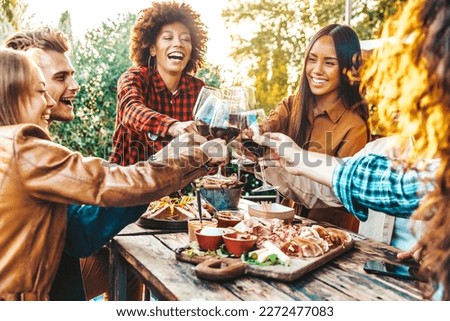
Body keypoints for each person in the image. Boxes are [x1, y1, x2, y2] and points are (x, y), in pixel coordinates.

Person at [255, 0, 449, 300]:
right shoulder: (383, 147)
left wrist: (290, 159)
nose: (397, 98)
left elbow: (372, 185)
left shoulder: (358, 129)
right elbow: (338, 185)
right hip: (364, 278)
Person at [0, 48, 228, 300]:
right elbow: (125, 184)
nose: (51, 102)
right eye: (41, 91)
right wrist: (197, 154)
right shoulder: (24, 148)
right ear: (11, 94)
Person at [4, 27, 147, 300]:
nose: (74, 85)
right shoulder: (25, 148)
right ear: (26, 82)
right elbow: (79, 234)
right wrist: (144, 184)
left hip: (53, 272)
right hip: (38, 292)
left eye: (72, 74)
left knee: (126, 264)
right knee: (129, 260)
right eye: (60, 77)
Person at [259, 24, 370, 232]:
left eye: (329, 63)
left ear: (347, 68)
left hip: (330, 236)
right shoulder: (293, 104)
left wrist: (271, 165)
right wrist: (249, 138)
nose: (317, 70)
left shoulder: (355, 127)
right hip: (287, 228)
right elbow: (261, 130)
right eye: (312, 59)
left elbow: (334, 196)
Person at [109, 1, 208, 166]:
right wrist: (172, 126)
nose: (178, 44)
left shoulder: (199, 90)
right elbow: (131, 110)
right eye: (168, 37)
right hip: (127, 185)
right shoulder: (134, 78)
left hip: (176, 189)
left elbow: (209, 139)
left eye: (186, 39)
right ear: (153, 48)